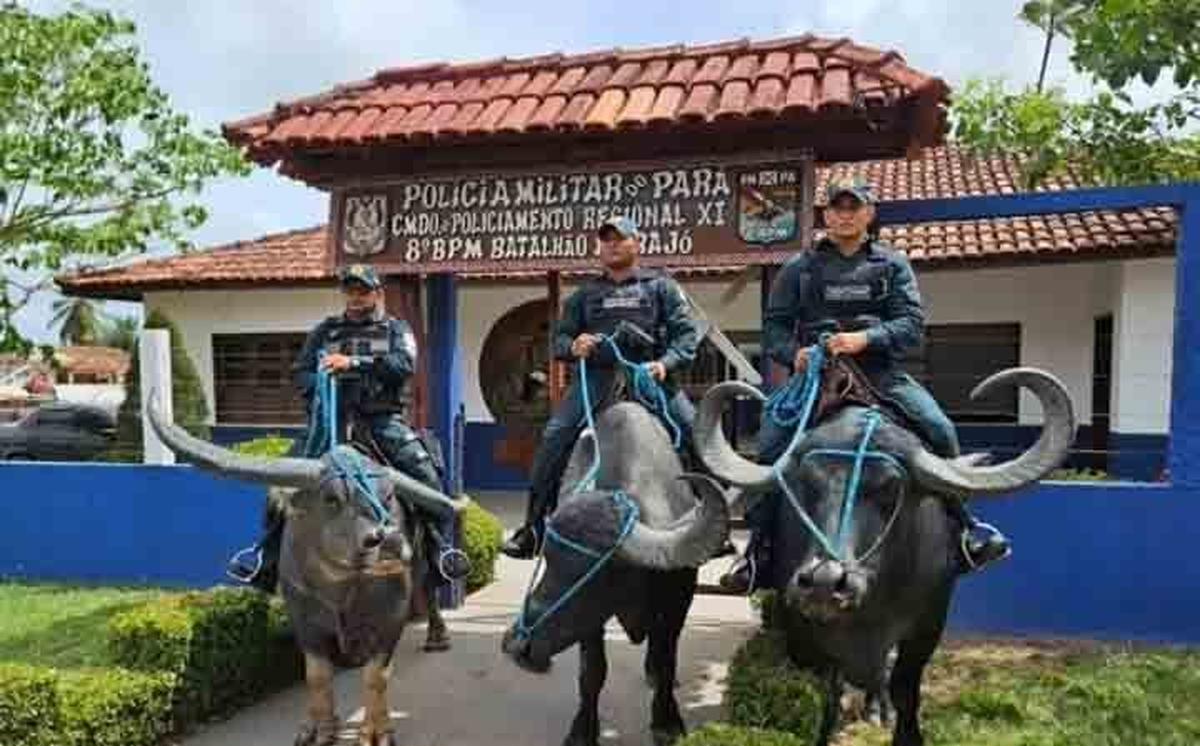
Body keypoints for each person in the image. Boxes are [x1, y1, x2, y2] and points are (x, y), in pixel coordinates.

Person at [720, 178, 1011, 593]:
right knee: (769, 443)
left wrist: (865, 340)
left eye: (853, 207)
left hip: (881, 375)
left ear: (869, 213)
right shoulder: (799, 268)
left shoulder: (892, 265)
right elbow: (775, 328)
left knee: (941, 430)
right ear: (825, 215)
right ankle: (758, 552)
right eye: (836, 208)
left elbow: (911, 327)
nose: (844, 214)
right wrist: (795, 353)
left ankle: (965, 533)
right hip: (817, 377)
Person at [229, 263, 469, 591]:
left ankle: (441, 552)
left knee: (427, 477)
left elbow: (403, 365)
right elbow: (300, 373)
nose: (356, 297)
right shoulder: (325, 331)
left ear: (377, 293)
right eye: (350, 290)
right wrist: (321, 379)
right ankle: (266, 560)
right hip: (330, 422)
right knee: (279, 488)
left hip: (381, 422)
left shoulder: (396, 329)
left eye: (363, 290)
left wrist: (353, 363)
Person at [502, 216, 703, 559]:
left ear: (636, 243)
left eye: (619, 238)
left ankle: (710, 523)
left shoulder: (662, 287)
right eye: (605, 240)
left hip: (649, 374)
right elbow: (559, 341)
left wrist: (664, 364)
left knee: (696, 430)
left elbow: (687, 336)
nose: (611, 245)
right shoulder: (585, 294)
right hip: (597, 378)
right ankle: (533, 529)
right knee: (555, 435)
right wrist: (574, 345)